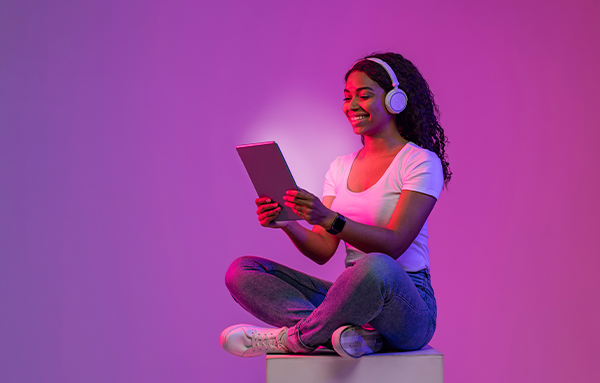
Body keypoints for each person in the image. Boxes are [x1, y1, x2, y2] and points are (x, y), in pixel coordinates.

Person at [220, 52, 451, 359]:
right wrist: (289, 223)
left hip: (407, 304)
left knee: (376, 264)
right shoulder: (340, 168)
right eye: (347, 97)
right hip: (352, 299)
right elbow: (323, 250)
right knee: (242, 271)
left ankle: (296, 339)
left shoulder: (420, 162)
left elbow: (394, 244)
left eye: (364, 95)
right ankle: (349, 337)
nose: (352, 106)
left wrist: (331, 218)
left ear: (395, 100)